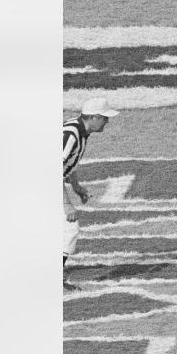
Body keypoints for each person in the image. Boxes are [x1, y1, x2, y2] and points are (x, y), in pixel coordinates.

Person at [63, 98, 119, 290]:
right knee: (69, 228)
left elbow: (67, 165)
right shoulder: (71, 134)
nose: (107, 122)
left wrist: (77, 188)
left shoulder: (79, 131)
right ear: (94, 117)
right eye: (104, 118)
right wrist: (66, 204)